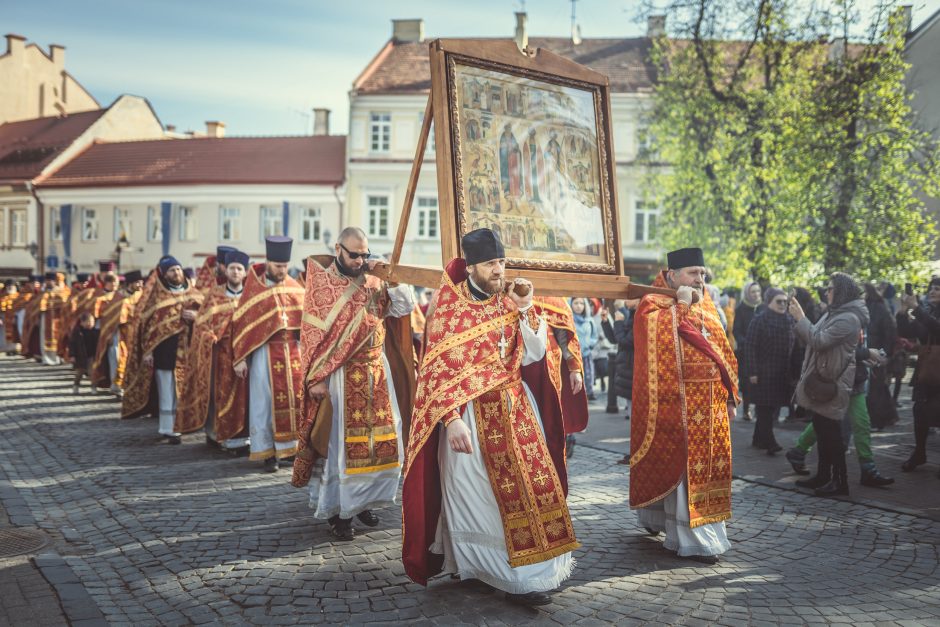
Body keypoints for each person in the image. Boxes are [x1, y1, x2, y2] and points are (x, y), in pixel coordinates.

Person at [402, 228, 577, 607]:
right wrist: (451, 421)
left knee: (529, 490)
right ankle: (485, 569)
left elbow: (533, 355)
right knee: (477, 497)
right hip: (469, 419)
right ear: (471, 267)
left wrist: (527, 308)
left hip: (515, 410)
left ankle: (524, 573)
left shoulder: (509, 301)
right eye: (491, 264)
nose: (500, 270)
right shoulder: (449, 308)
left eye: (502, 262)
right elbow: (436, 373)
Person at [290, 227, 416, 540]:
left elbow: (404, 308)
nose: (360, 260)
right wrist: (315, 378)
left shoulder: (375, 280)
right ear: (338, 249)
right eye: (354, 254)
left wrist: (393, 277)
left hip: (375, 373)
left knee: (378, 445)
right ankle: (338, 513)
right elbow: (312, 338)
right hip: (339, 377)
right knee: (339, 447)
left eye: (365, 254)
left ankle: (363, 501)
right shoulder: (323, 283)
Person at [631, 247, 738, 565]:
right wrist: (679, 305)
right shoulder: (653, 302)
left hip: (711, 405)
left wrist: (730, 394)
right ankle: (689, 538)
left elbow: (722, 350)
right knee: (681, 471)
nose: (700, 279)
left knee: (706, 471)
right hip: (674, 404)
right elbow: (654, 340)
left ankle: (700, 530)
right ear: (672, 274)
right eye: (693, 272)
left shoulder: (707, 304)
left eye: (703, 273)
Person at [787, 272, 867, 497]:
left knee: (832, 436)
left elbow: (819, 340)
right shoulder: (835, 313)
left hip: (833, 383)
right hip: (822, 381)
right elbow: (815, 334)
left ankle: (840, 482)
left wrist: (801, 317)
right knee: (823, 431)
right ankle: (823, 476)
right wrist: (801, 319)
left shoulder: (848, 318)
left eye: (830, 289)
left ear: (840, 291)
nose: (826, 292)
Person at [232, 236, 305, 471]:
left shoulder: (295, 287)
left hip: (293, 351)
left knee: (294, 400)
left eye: (285, 266)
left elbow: (306, 323)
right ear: (268, 262)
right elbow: (241, 323)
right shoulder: (254, 289)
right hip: (264, 351)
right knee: (263, 402)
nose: (282, 270)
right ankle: (266, 452)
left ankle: (289, 449)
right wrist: (240, 358)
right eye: (277, 266)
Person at [122, 257, 204, 444]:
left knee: (183, 391)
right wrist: (148, 351)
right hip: (163, 351)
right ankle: (168, 428)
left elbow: (207, 319)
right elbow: (146, 326)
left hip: (187, 349)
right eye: (171, 271)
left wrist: (196, 316)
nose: (176, 273)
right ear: (164, 274)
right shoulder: (156, 296)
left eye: (178, 269)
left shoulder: (194, 294)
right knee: (166, 390)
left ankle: (182, 424)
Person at [176, 251, 250, 449]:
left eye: (239, 269)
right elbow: (201, 325)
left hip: (246, 354)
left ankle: (242, 439)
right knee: (219, 395)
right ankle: (216, 434)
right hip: (220, 354)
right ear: (226, 271)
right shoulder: (214, 295)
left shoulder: (251, 296)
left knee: (244, 397)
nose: (235, 272)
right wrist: (210, 337)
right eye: (232, 268)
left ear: (245, 272)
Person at [532, 296, 588, 458]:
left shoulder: (554, 299)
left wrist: (574, 369)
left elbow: (565, 337)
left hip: (550, 366)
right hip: (517, 366)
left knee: (551, 412)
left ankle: (554, 454)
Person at [897, 277, 940, 478]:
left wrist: (917, 308)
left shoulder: (926, 312)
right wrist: (903, 311)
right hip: (927, 368)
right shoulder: (927, 311)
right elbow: (908, 331)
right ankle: (919, 452)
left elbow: (937, 329)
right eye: (931, 288)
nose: (932, 291)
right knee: (919, 410)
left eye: (937, 289)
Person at [743, 287, 793, 454]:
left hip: (781, 372)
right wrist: (752, 372)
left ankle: (758, 439)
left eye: (785, 301)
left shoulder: (788, 319)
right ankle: (769, 442)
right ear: (769, 301)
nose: (782, 304)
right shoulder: (760, 319)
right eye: (779, 301)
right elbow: (750, 346)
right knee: (764, 408)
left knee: (771, 408)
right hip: (763, 372)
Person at [91, 270, 145, 397]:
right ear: (130, 283)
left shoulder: (142, 295)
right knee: (118, 358)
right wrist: (110, 335)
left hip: (136, 332)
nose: (140, 285)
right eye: (137, 282)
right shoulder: (119, 297)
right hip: (119, 333)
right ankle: (116, 385)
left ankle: (131, 386)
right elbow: (111, 317)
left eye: (141, 282)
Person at [864, 284, 898, 429]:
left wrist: (884, 353)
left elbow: (889, 333)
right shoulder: (867, 308)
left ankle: (879, 420)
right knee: (878, 387)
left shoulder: (879, 309)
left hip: (877, 352)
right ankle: (889, 416)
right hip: (870, 352)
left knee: (876, 388)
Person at [22, 272, 70, 365]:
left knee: (58, 339)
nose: (48, 283)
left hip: (57, 319)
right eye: (47, 281)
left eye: (50, 281)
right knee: (44, 339)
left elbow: (64, 305)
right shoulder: (42, 293)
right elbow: (35, 306)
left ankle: (57, 358)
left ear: (54, 281)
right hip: (44, 319)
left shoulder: (61, 292)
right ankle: (47, 359)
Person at [733, 281, 762, 421]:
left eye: (758, 291)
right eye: (753, 292)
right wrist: (746, 342)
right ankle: (746, 410)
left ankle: (759, 409)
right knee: (746, 382)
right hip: (745, 352)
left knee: (760, 381)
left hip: (761, 352)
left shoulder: (764, 307)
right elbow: (736, 330)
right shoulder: (741, 308)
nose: (756, 294)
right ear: (747, 293)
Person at [570, 298, 597, 400]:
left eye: (581, 303)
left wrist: (589, 345)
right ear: (571, 304)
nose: (578, 306)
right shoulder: (568, 319)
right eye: (576, 303)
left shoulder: (589, 321)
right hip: (573, 356)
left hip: (586, 354)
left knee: (588, 376)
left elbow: (594, 336)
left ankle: (588, 394)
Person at [69, 312, 100, 394]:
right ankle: (76, 386)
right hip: (81, 356)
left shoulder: (95, 332)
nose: (90, 324)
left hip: (91, 356)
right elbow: (72, 344)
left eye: (92, 322)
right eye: (88, 322)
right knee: (79, 373)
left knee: (92, 373)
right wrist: (72, 355)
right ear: (82, 322)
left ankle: (93, 387)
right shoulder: (77, 332)